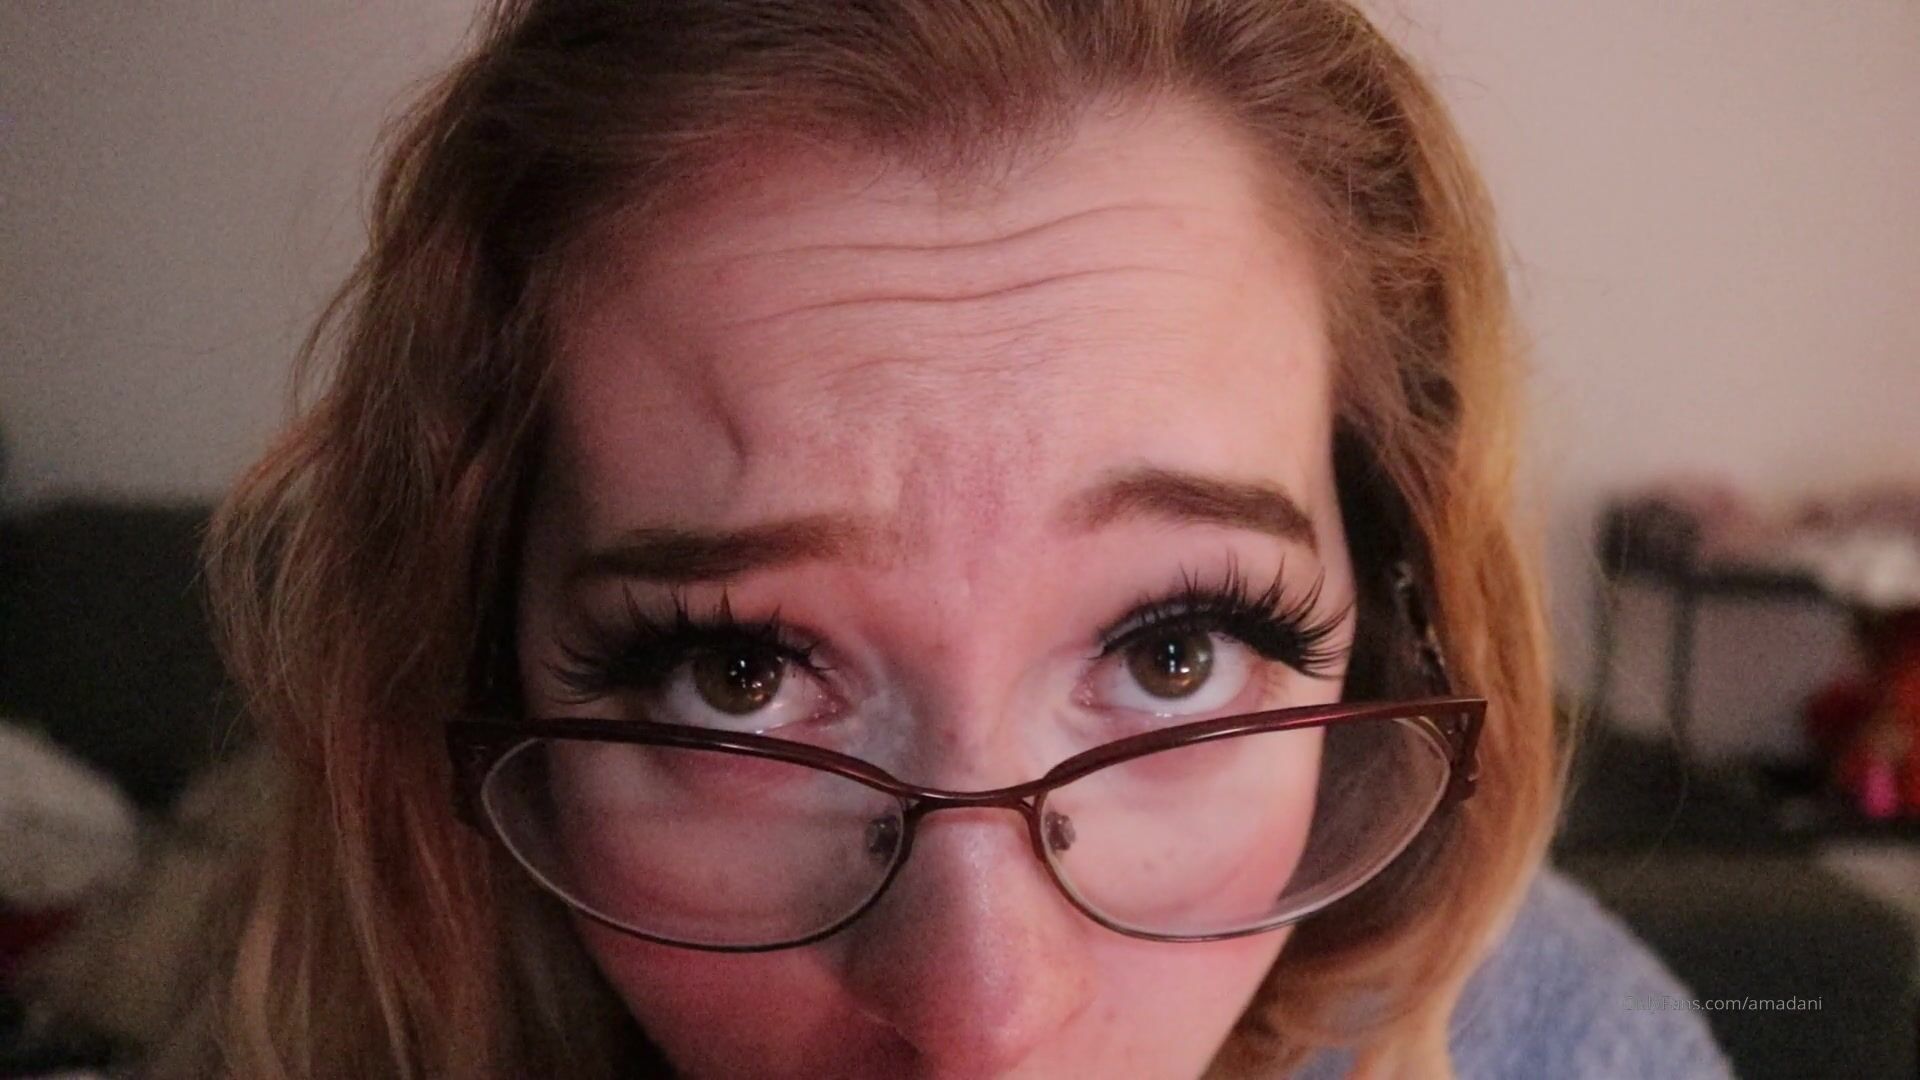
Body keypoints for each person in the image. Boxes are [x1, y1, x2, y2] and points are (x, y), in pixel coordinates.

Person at [168, 1, 1735, 1077]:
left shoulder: (1558, 1041)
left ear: (1384, 635)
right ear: (475, 665)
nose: (984, 1023)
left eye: (1174, 651)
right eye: (737, 675)